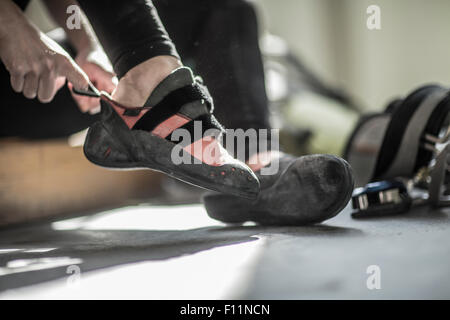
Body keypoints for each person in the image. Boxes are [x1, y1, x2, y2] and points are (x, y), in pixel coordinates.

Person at [0, 0, 354, 225]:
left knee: (222, 7)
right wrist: (10, 24)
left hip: (49, 77)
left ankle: (255, 156)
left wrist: (87, 44)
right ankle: (150, 88)